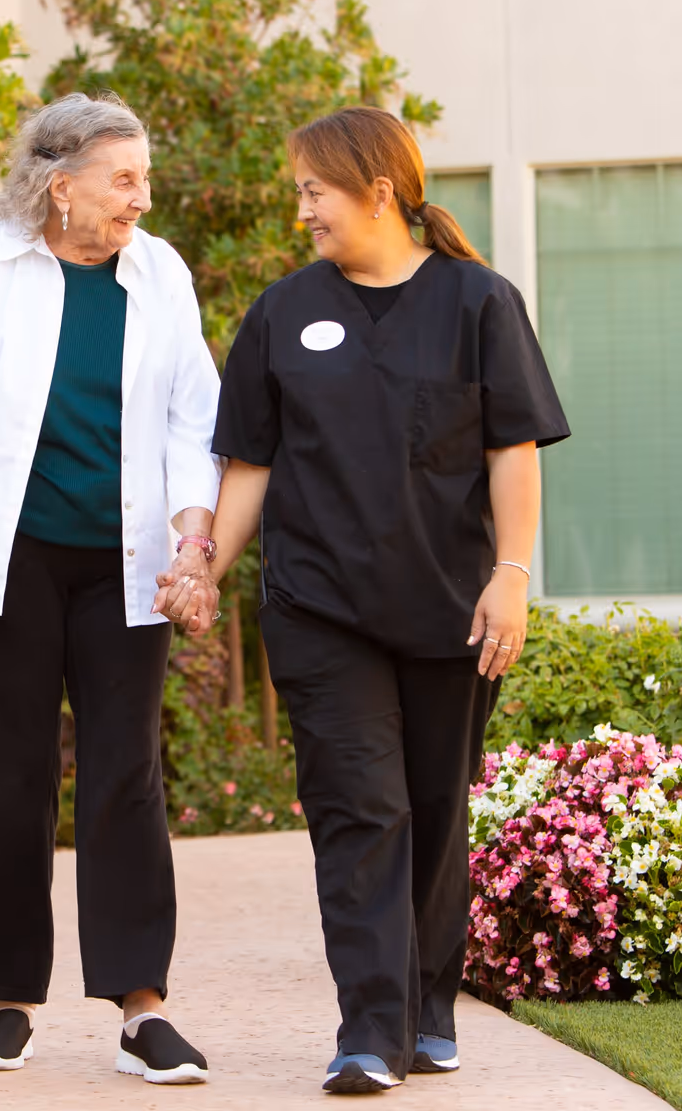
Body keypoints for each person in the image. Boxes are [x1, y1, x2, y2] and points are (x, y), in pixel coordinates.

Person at [191, 106, 569, 1094]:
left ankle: (428, 1000)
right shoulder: (282, 313)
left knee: (437, 811)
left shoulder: (480, 303)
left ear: (379, 190)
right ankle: (369, 1024)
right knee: (359, 809)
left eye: (315, 188)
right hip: (320, 611)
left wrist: (513, 575)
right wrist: (205, 568)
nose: (303, 208)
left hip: (452, 610)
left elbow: (511, 451)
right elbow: (250, 465)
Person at [0, 92, 223, 1086]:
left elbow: (192, 424)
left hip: (125, 565)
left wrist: (192, 542)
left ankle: (141, 1007)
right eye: (125, 179)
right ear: (59, 182)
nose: (141, 198)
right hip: (9, 562)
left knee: (127, 775)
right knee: (9, 772)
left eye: (144, 179)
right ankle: (7, 1001)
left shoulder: (160, 274)